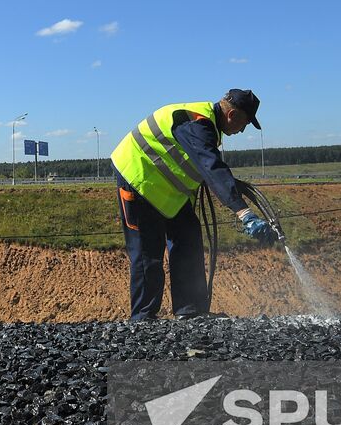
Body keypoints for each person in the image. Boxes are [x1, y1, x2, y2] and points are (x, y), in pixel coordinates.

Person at [108, 89, 273, 321]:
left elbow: (203, 165)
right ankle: (143, 320)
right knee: (148, 252)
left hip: (166, 191)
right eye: (244, 123)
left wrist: (229, 184)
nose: (242, 130)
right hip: (137, 178)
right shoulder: (197, 123)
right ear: (232, 115)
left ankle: (190, 312)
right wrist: (244, 212)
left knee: (188, 239)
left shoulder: (206, 127)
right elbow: (211, 166)